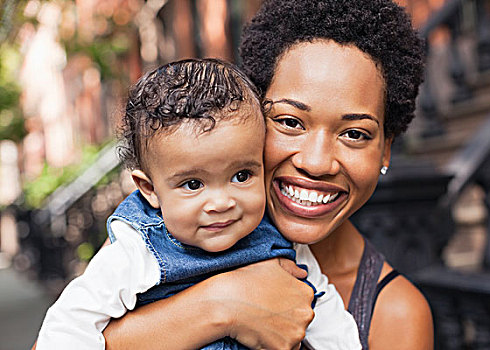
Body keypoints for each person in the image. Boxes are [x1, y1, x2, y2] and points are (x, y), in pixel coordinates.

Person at [100, 0, 435, 349]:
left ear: (385, 149)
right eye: (290, 122)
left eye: (354, 134)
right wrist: (223, 305)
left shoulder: (394, 314)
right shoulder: (156, 227)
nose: (317, 162)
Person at [35, 58, 361, 350]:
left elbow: (321, 304)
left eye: (242, 175)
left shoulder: (276, 232)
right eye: (193, 184)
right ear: (149, 189)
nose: (221, 202)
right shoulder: (138, 248)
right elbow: (70, 324)